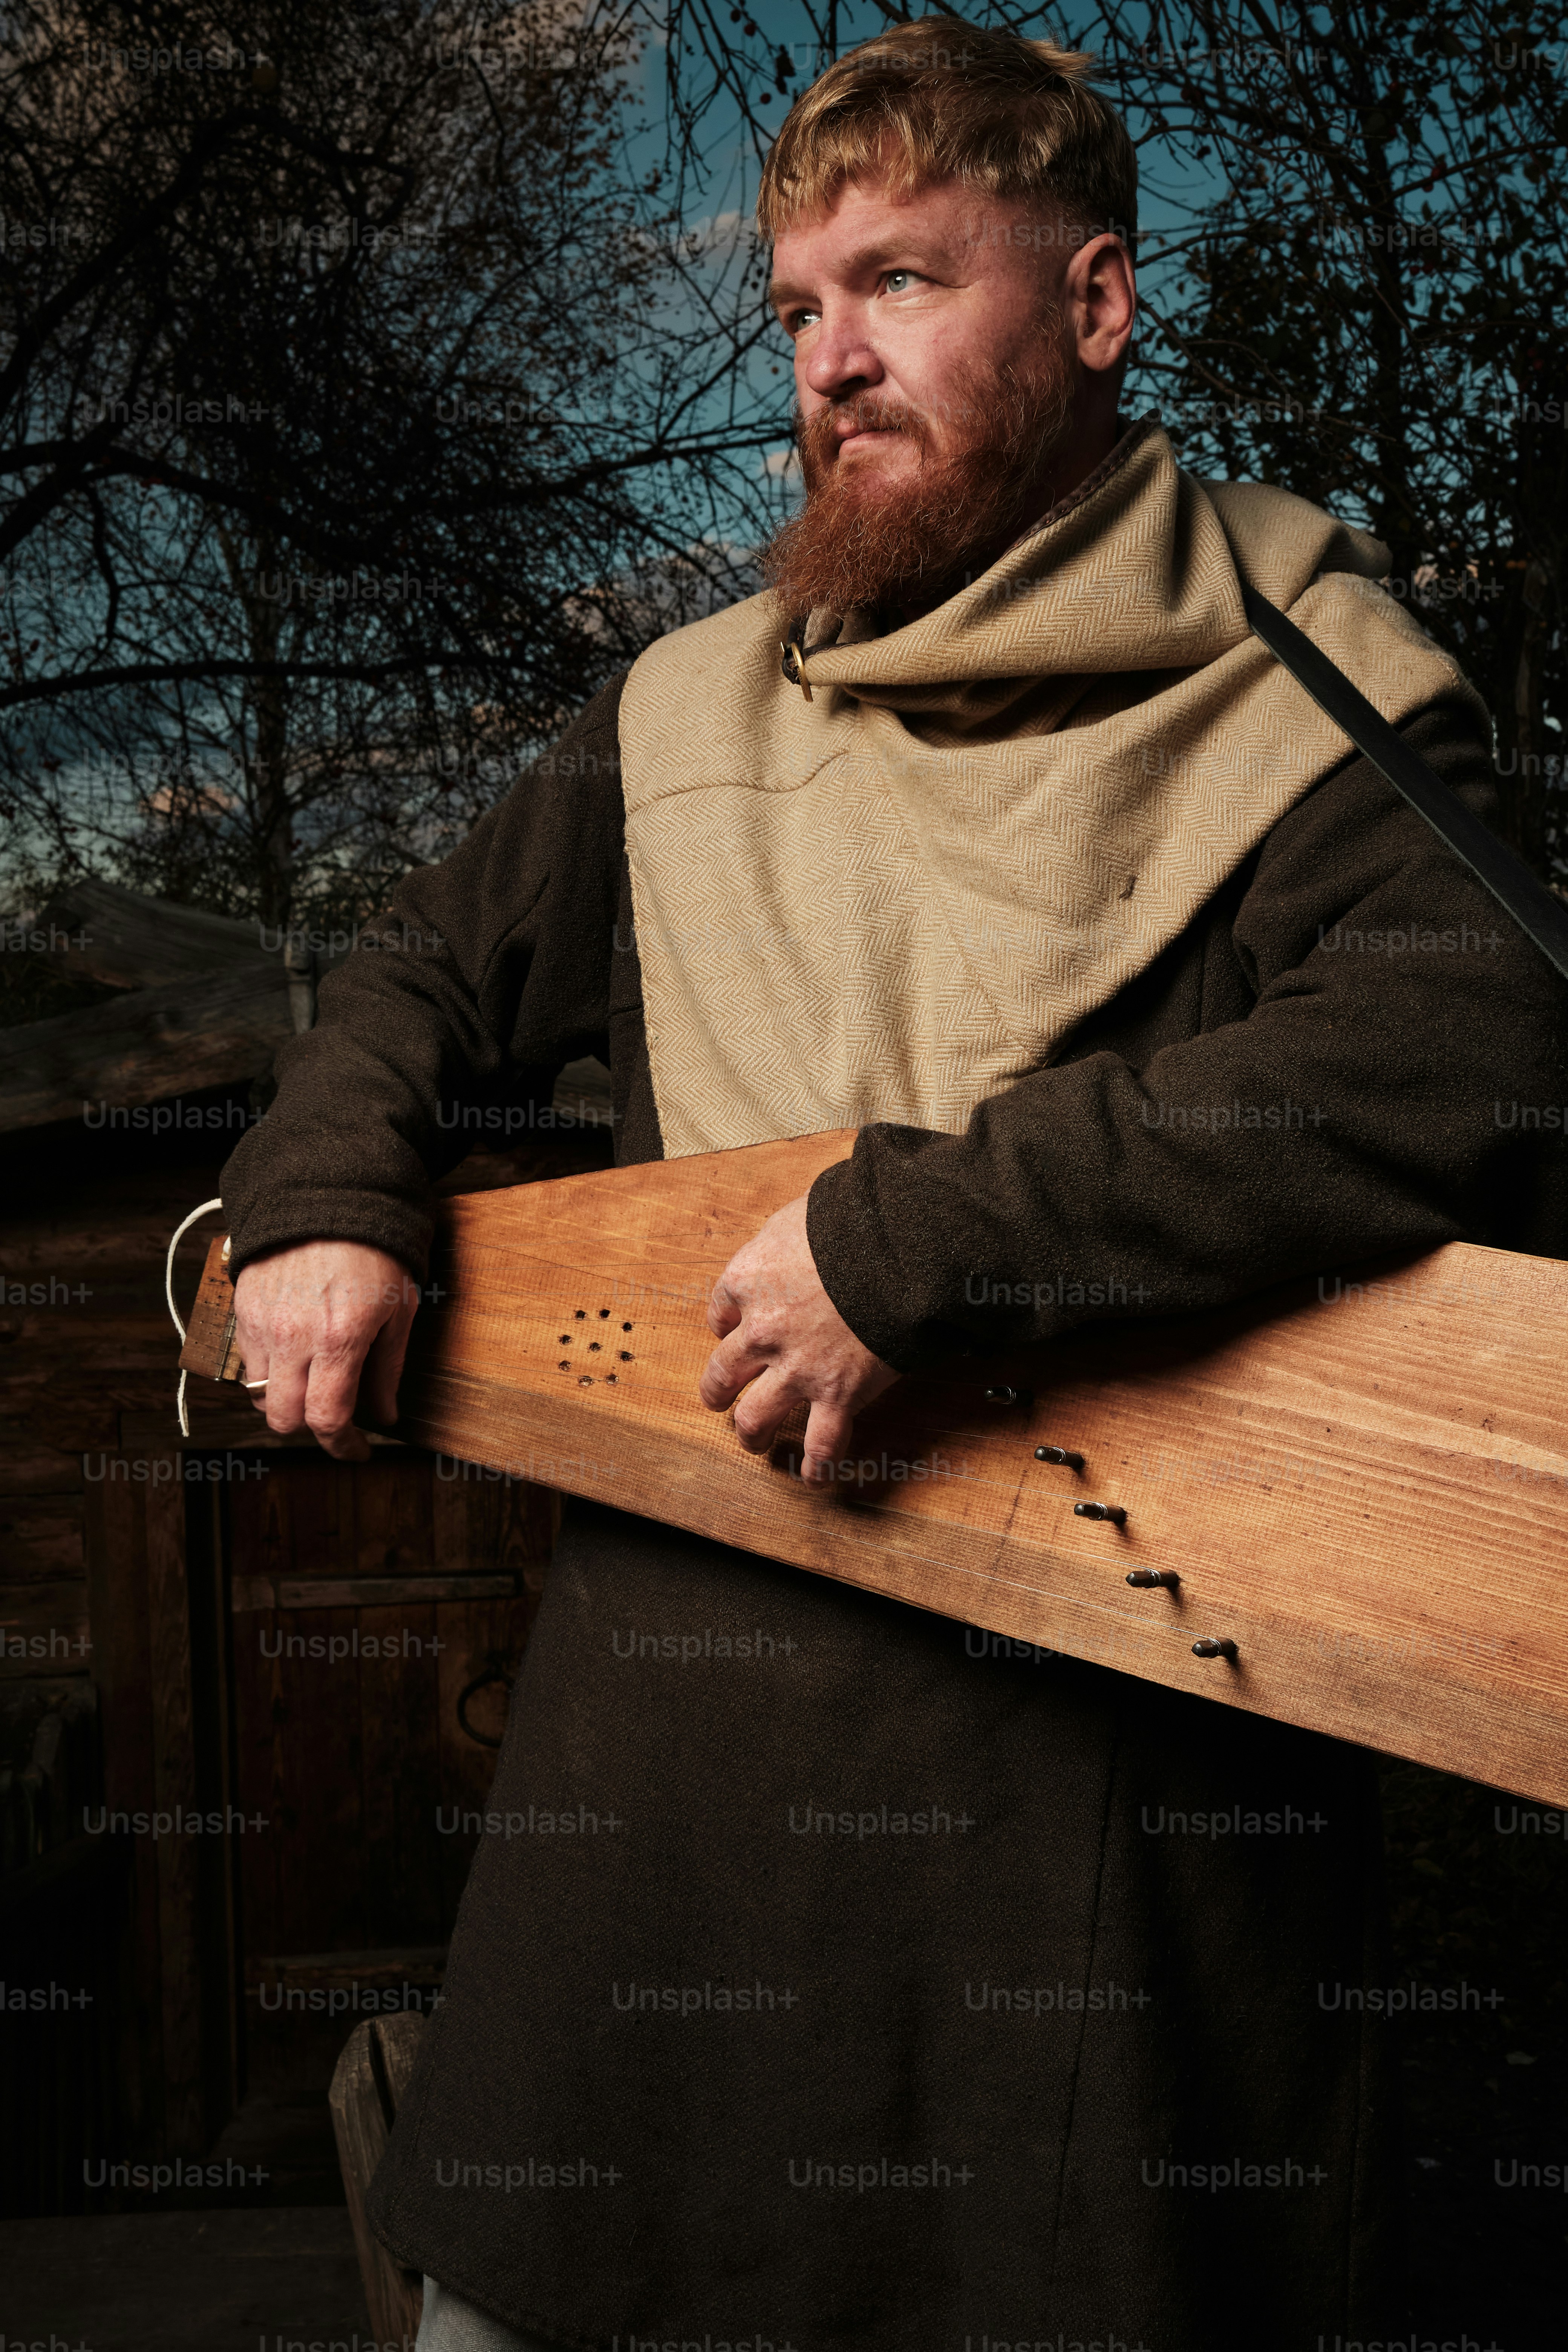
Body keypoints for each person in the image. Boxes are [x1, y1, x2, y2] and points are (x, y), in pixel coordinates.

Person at [221, 20, 1568, 2350]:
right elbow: (418, 975)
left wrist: (915, 1235)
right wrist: (327, 1187)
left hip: (1094, 1814)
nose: (837, 357)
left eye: (908, 279)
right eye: (798, 309)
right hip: (667, 1754)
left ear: (1097, 302)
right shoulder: (682, 717)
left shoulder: (1307, 683)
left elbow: (1465, 1039)